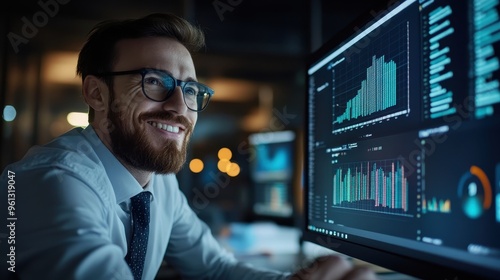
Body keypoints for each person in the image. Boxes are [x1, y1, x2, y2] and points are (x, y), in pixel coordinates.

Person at [0, 13, 378, 280]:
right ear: (97, 93)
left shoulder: (158, 185)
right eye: (154, 82)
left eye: (192, 90)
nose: (180, 107)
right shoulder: (52, 182)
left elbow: (215, 268)